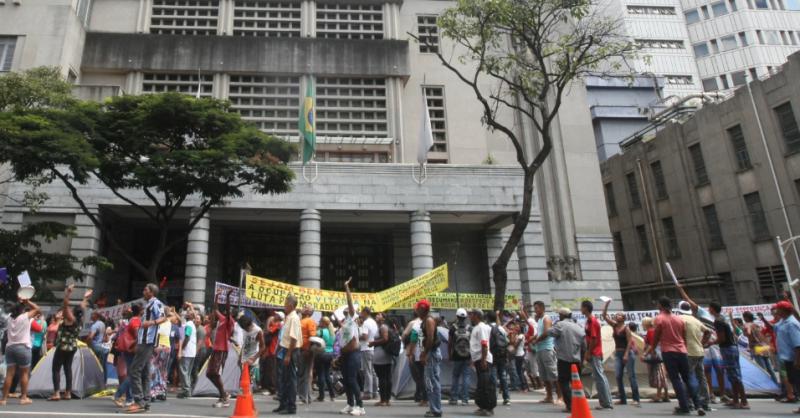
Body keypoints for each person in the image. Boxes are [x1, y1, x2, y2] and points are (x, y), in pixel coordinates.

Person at [644, 297, 705, 416]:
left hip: (668, 351)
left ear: (660, 306)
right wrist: (684, 348)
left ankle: (684, 406)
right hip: (682, 350)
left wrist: (651, 350)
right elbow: (683, 336)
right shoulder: (679, 319)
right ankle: (698, 405)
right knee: (688, 378)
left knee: (676, 379)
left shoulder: (659, 319)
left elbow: (656, 336)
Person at [125, 283, 167, 414]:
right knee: (144, 373)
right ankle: (145, 402)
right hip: (144, 341)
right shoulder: (148, 304)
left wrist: (152, 322)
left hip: (147, 342)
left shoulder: (156, 303)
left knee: (134, 370)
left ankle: (139, 401)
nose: (143, 291)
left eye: (146, 289)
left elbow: (163, 317)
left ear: (152, 292)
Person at [50, 284, 91, 402]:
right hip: (73, 346)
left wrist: (68, 293)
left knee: (56, 369)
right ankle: (68, 392)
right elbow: (82, 307)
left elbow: (65, 305)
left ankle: (56, 393)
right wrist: (85, 298)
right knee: (68, 368)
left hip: (63, 346)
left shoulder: (70, 319)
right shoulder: (80, 320)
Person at [0, 298, 41, 406]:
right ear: (22, 310)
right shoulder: (25, 317)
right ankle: (23, 398)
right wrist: (28, 302)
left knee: (9, 374)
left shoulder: (9, 318)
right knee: (24, 373)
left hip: (10, 348)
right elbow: (37, 309)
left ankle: (3, 399)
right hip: (23, 347)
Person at [708, 301, 748, 409]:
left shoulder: (718, 321)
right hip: (731, 348)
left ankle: (744, 401)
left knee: (735, 376)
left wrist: (711, 342)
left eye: (709, 308)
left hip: (727, 349)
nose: (708, 310)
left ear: (712, 309)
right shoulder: (722, 318)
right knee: (732, 375)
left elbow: (722, 338)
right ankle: (735, 400)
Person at [601, 299, 639, 407]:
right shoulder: (614, 325)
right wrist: (607, 304)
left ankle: (636, 399)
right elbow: (604, 315)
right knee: (618, 376)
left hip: (627, 353)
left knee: (631, 376)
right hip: (618, 354)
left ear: (623, 318)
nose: (617, 316)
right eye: (617, 314)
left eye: (619, 315)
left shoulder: (626, 329)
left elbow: (629, 342)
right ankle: (623, 398)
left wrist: (626, 354)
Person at [546, 307, 585, 413]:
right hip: (576, 359)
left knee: (563, 381)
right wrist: (583, 359)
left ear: (562, 316)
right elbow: (583, 344)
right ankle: (579, 404)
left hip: (564, 359)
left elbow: (549, 332)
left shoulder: (560, 325)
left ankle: (570, 405)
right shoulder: (578, 326)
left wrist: (553, 324)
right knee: (576, 383)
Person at [677, 301, 711, 412]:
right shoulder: (695, 320)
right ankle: (705, 402)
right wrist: (702, 343)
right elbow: (708, 332)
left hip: (688, 352)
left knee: (687, 378)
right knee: (701, 377)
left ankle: (689, 402)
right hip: (699, 351)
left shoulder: (679, 319)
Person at [339, 278, 366, 416]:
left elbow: (349, 302)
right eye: (344, 312)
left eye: (347, 310)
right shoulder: (344, 324)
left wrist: (346, 287)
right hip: (344, 354)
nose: (346, 311)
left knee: (352, 379)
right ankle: (350, 404)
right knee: (346, 380)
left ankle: (360, 407)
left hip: (354, 354)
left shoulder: (352, 318)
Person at [274, 293, 302, 415]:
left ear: (290, 305)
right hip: (285, 349)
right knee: (284, 379)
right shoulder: (289, 317)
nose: (284, 306)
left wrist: (288, 354)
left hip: (291, 350)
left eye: (285, 304)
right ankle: (283, 404)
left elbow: (294, 338)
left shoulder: (294, 318)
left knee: (290, 379)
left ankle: (291, 406)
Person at [581, 300, 612, 410]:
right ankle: (605, 402)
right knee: (599, 376)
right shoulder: (589, 321)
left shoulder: (593, 321)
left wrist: (589, 352)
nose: (581, 309)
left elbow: (594, 339)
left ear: (585, 308)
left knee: (600, 377)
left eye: (582, 307)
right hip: (594, 352)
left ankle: (607, 403)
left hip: (595, 352)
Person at [528, 301, 560, 405]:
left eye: (536, 308)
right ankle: (549, 396)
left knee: (553, 374)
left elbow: (547, 332)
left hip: (547, 349)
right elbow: (540, 332)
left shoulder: (546, 318)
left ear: (542, 308)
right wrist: (533, 337)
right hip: (540, 349)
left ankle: (560, 397)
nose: (535, 310)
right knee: (544, 375)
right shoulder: (540, 320)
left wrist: (536, 340)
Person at [207, 290, 235, 408]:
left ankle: (223, 398)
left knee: (216, 373)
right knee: (209, 373)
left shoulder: (230, 321)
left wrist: (228, 297)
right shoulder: (222, 319)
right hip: (216, 349)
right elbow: (215, 309)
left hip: (222, 350)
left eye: (228, 311)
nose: (225, 311)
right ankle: (223, 394)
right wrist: (217, 296)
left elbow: (228, 310)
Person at [773, 300, 800, 414]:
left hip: (794, 358)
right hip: (786, 358)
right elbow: (775, 327)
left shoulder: (792, 324)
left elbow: (798, 344)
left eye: (778, 309)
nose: (776, 311)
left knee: (799, 382)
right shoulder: (782, 322)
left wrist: (798, 360)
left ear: (783, 310)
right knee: (795, 382)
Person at [416, 299, 441, 418]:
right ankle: (434, 408)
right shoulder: (425, 320)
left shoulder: (429, 320)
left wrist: (425, 353)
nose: (416, 310)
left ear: (422, 309)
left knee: (432, 382)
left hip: (431, 353)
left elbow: (430, 339)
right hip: (428, 353)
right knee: (429, 382)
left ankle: (436, 409)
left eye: (418, 308)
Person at [469, 309, 495, 417]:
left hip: (483, 359)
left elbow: (484, 344)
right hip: (478, 359)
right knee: (481, 384)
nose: (470, 316)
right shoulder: (477, 327)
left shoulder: (481, 327)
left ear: (476, 315)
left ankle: (488, 408)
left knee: (485, 385)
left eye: (471, 314)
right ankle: (483, 406)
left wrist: (483, 359)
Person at [114, 305, 141, 407]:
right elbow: (138, 337)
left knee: (130, 374)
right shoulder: (135, 321)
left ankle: (129, 398)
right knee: (132, 375)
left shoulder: (124, 323)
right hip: (131, 350)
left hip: (125, 350)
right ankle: (119, 395)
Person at [239, 314, 264, 413]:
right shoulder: (244, 329)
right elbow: (244, 344)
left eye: (245, 328)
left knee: (249, 386)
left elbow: (263, 347)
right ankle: (248, 407)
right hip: (244, 360)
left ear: (249, 325)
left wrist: (253, 359)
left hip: (252, 360)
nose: (245, 330)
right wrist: (240, 356)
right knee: (243, 385)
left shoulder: (257, 331)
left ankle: (252, 408)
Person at [742, 311, 777, 383]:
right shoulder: (756, 325)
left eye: (744, 317)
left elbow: (748, 333)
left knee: (763, 369)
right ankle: (776, 384)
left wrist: (746, 332)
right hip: (764, 347)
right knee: (769, 369)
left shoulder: (747, 324)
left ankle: (770, 387)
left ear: (746, 318)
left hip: (756, 347)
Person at [640, 317, 669, 403]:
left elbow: (652, 344)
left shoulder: (650, 331)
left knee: (658, 375)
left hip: (655, 355)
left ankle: (659, 395)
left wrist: (645, 354)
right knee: (663, 375)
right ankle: (666, 395)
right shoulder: (654, 330)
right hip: (661, 354)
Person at [448, 308, 472, 406]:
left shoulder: (453, 328)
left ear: (457, 316)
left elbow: (450, 343)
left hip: (456, 355)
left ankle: (454, 398)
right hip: (467, 355)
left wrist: (449, 354)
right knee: (466, 377)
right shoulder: (470, 328)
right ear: (466, 317)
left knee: (455, 376)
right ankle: (465, 399)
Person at [486, 311, 510, 406]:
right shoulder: (501, 328)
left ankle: (494, 397)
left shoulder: (487, 328)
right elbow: (506, 340)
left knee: (493, 377)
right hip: (502, 355)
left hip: (492, 355)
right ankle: (506, 398)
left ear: (487, 318)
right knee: (503, 376)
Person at [404, 314, 427, 406]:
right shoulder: (430, 323)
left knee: (420, 377)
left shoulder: (416, 326)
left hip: (418, 355)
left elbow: (413, 340)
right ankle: (428, 397)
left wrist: (410, 353)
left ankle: (424, 398)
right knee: (428, 377)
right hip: (427, 354)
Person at [370, 313, 393, 406]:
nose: (377, 315)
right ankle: (386, 399)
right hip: (385, 354)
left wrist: (373, 343)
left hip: (381, 354)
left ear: (383, 318)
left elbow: (385, 339)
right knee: (386, 377)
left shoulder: (383, 327)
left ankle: (384, 399)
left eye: (379, 315)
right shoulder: (383, 326)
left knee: (383, 377)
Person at [177, 303, 198, 399]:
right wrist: (190, 306)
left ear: (190, 316)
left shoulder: (189, 324)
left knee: (184, 371)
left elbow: (187, 337)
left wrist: (182, 349)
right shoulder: (191, 323)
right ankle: (187, 389)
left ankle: (186, 390)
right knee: (187, 372)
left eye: (188, 313)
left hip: (187, 351)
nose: (186, 313)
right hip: (191, 352)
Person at [298, 305, 317, 404]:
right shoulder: (302, 320)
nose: (303, 308)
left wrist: (308, 349)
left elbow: (313, 337)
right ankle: (307, 396)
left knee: (303, 374)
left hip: (306, 351)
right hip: (302, 350)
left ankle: (303, 397)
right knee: (304, 374)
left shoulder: (309, 321)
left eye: (306, 307)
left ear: (309, 312)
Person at [315, 316, 336, 402]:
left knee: (321, 375)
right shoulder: (332, 333)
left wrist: (317, 327)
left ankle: (321, 396)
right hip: (330, 353)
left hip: (322, 353)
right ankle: (332, 395)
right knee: (327, 374)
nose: (319, 322)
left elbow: (314, 336)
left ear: (323, 323)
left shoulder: (321, 331)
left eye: (320, 321)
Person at [359, 307, 379, 400]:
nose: (360, 314)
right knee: (373, 371)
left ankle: (368, 392)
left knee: (367, 371)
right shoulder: (373, 322)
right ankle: (375, 391)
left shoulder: (366, 323)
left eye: (361, 312)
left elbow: (364, 336)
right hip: (372, 348)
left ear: (365, 312)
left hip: (366, 348)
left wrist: (357, 336)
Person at [87, 311, 110, 383]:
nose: (90, 316)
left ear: (96, 316)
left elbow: (90, 337)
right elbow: (106, 338)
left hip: (96, 347)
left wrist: (86, 343)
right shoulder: (102, 324)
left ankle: (97, 383)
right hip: (103, 348)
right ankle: (104, 382)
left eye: (92, 315)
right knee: (104, 367)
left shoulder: (94, 326)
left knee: (96, 366)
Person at [264, 311, 283, 396]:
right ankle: (269, 387)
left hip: (273, 349)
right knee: (268, 368)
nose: (274, 316)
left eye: (276, 315)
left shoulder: (278, 325)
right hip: (269, 349)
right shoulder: (276, 324)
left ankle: (272, 389)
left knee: (272, 369)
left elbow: (268, 331)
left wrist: (268, 323)